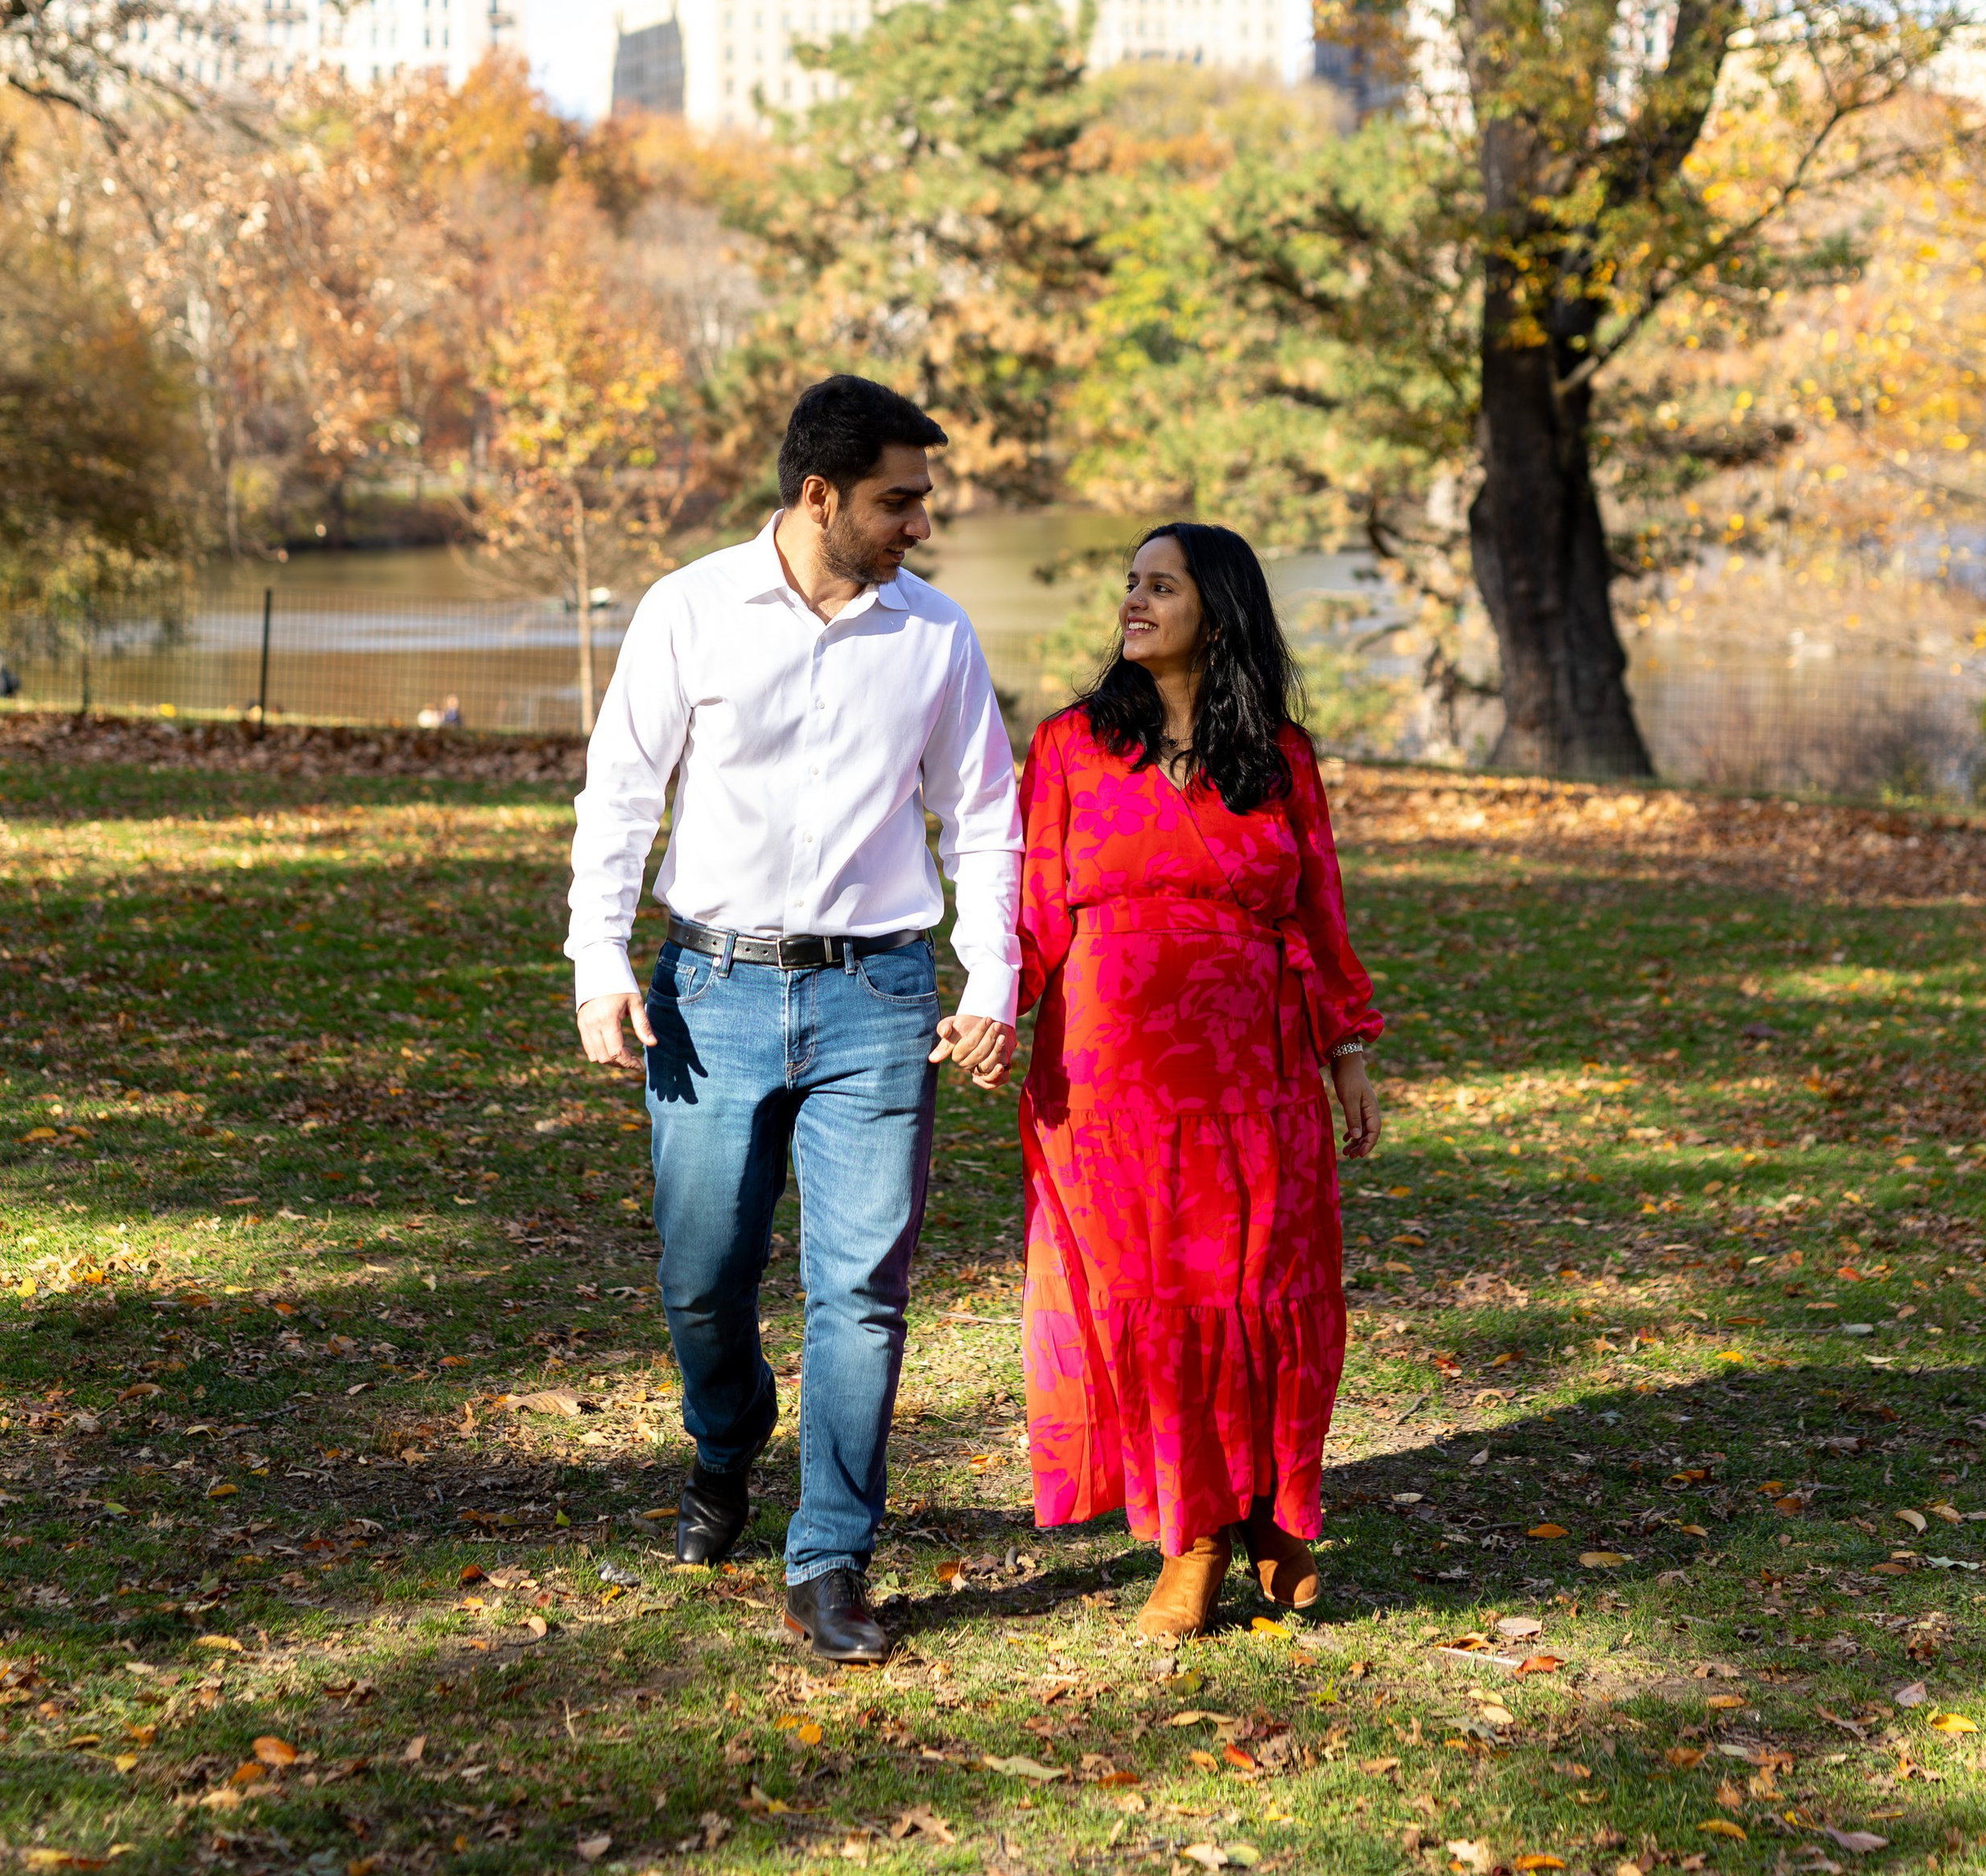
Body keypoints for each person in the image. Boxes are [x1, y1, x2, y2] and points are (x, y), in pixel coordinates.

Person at [567, 376, 1021, 1664]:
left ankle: (829, 1557)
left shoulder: (935, 636)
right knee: (702, 1280)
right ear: (817, 495)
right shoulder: (690, 609)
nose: (919, 523)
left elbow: (985, 821)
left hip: (878, 995)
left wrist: (991, 982)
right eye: (898, 499)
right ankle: (727, 1442)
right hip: (707, 992)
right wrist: (598, 958)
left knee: (860, 1290)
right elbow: (619, 796)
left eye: (923, 499)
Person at [1014, 522, 1382, 1638]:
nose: (1133, 600)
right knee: (1156, 1299)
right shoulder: (1072, 747)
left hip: (1257, 1070)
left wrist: (1348, 1050)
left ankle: (1275, 1511)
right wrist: (989, 1012)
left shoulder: (1281, 758)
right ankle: (1195, 1536)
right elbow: (1030, 909)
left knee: (1265, 1286)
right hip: (1110, 1083)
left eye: (1159, 586)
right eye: (1128, 582)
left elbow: (1318, 908)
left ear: (1216, 613)